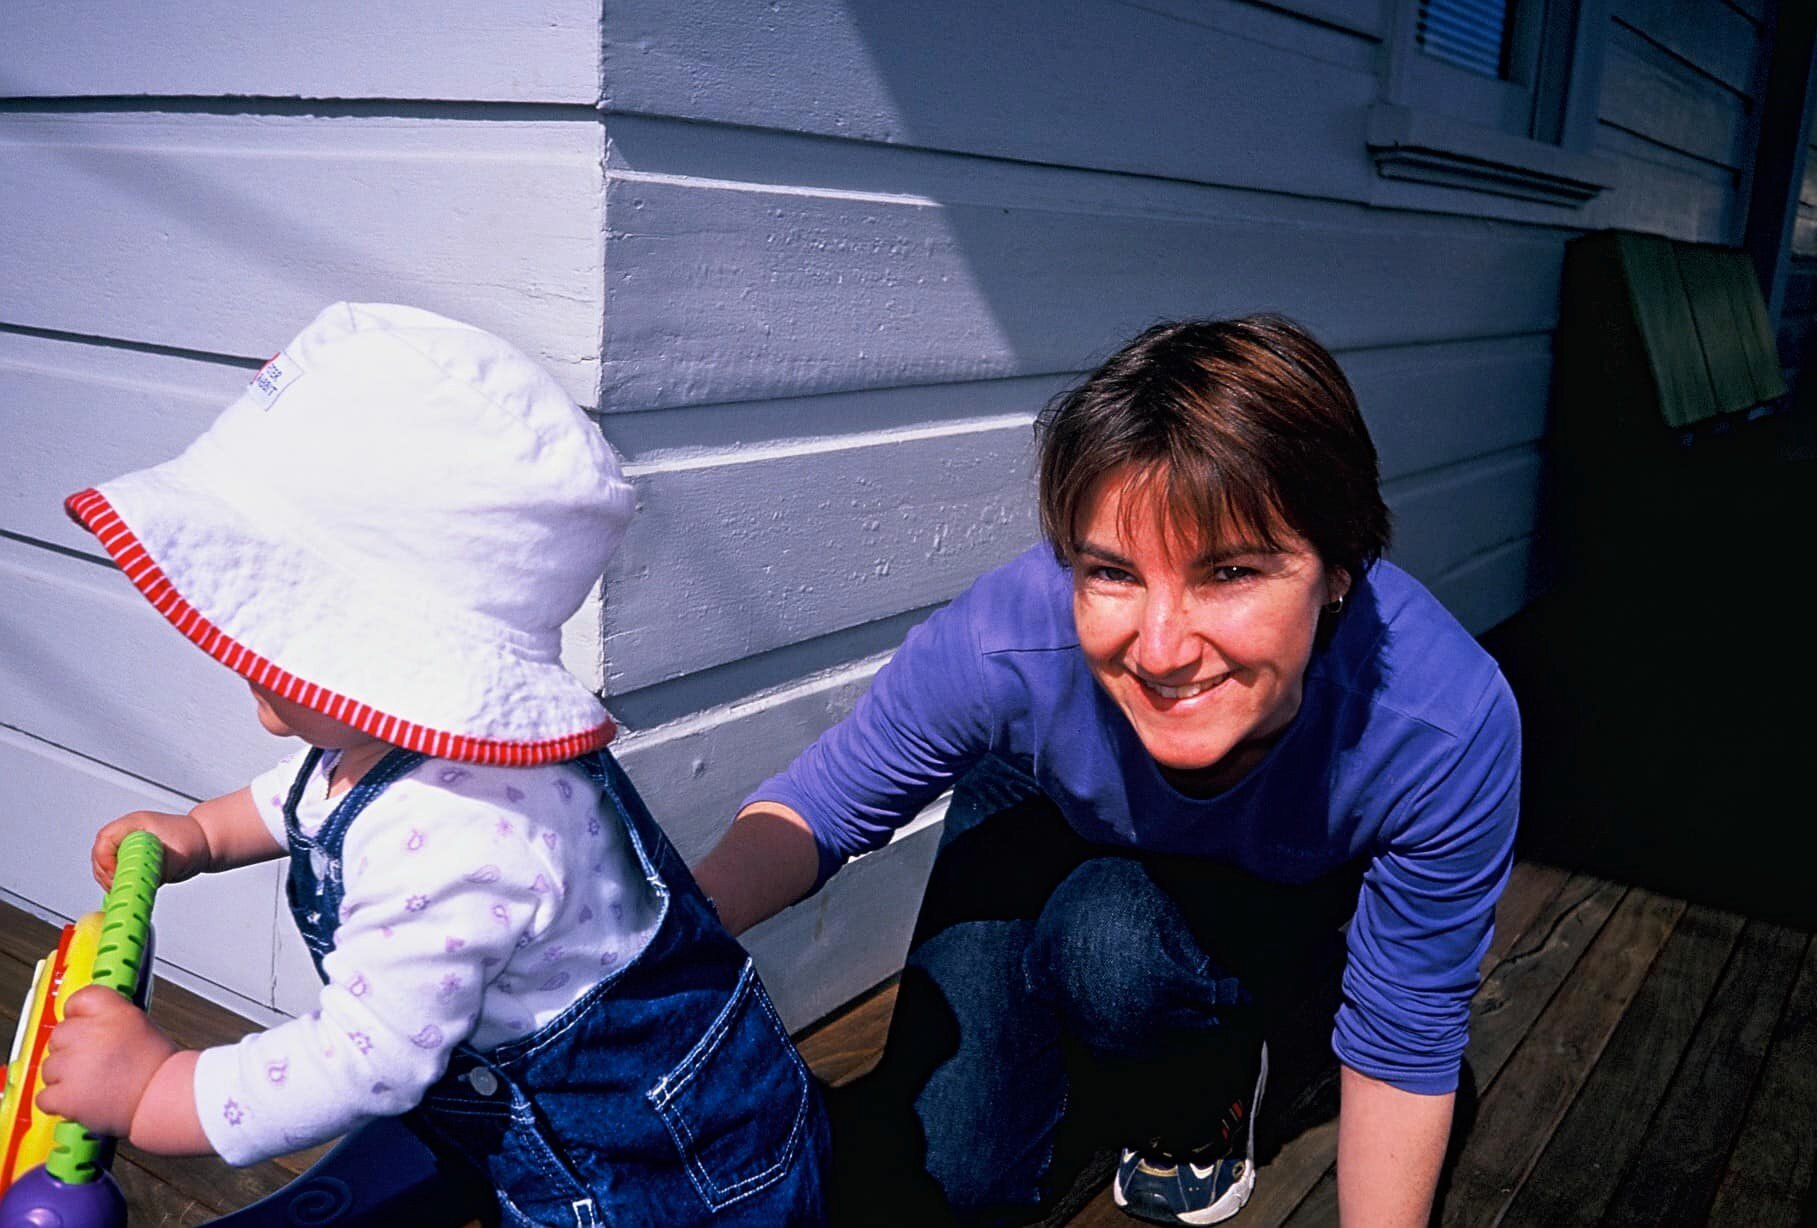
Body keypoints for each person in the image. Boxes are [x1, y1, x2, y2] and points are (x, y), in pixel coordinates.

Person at [694, 316, 1520, 1227]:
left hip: (1274, 880)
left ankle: (1214, 1085)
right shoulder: (1006, 640)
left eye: (1231, 571)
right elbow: (818, 809)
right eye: (1111, 573)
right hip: (1050, 811)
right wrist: (632, 954)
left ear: (1338, 568)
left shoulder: (1440, 724)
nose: (1161, 649)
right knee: (939, 1179)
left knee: (1107, 944)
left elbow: (1403, 1040)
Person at [37, 303, 828, 1227]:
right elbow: (307, 801)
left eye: (272, 631)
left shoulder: (456, 836)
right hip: (596, 1104)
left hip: (654, 1184)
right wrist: (202, 835)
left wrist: (159, 1092)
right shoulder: (392, 743)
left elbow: (366, 1058)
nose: (238, 654)